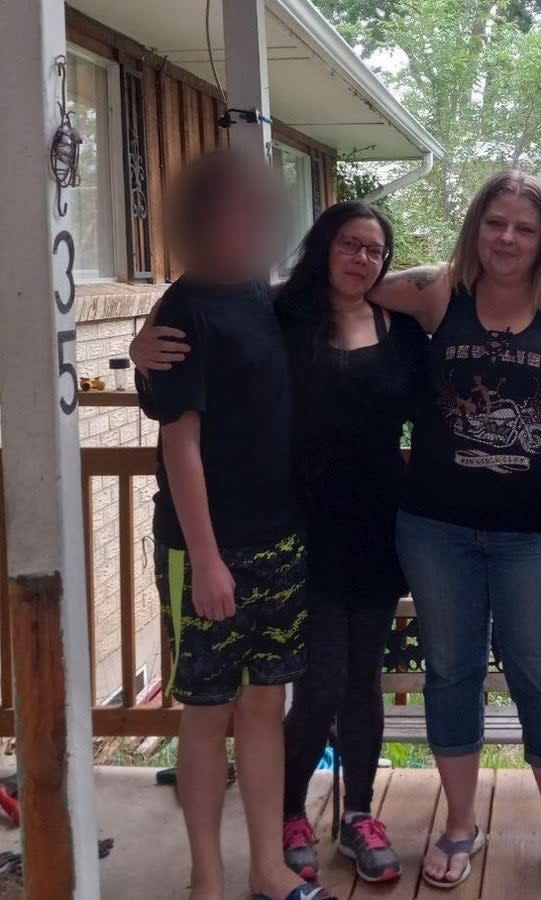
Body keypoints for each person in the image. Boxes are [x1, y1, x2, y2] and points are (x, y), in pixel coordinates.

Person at [133, 201, 429, 885]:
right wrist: (142, 348)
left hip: (374, 529)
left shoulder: (403, 330)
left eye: (374, 250)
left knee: (357, 681)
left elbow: (446, 302)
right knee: (315, 682)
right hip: (299, 528)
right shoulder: (284, 315)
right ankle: (290, 817)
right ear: (321, 248)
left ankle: (357, 814)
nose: (361, 259)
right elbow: (200, 340)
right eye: (348, 245)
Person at [354, 170, 541, 892]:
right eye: (495, 222)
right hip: (436, 526)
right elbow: (346, 281)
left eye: (523, 227)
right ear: (477, 225)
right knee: (453, 672)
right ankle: (460, 823)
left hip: (535, 532)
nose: (507, 238)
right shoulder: (440, 292)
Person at [139, 150, 333, 900]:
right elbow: (177, 438)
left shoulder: (258, 292)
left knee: (263, 707)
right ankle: (207, 878)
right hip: (204, 552)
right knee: (205, 712)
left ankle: (267, 869)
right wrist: (210, 559)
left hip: (281, 542)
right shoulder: (182, 310)